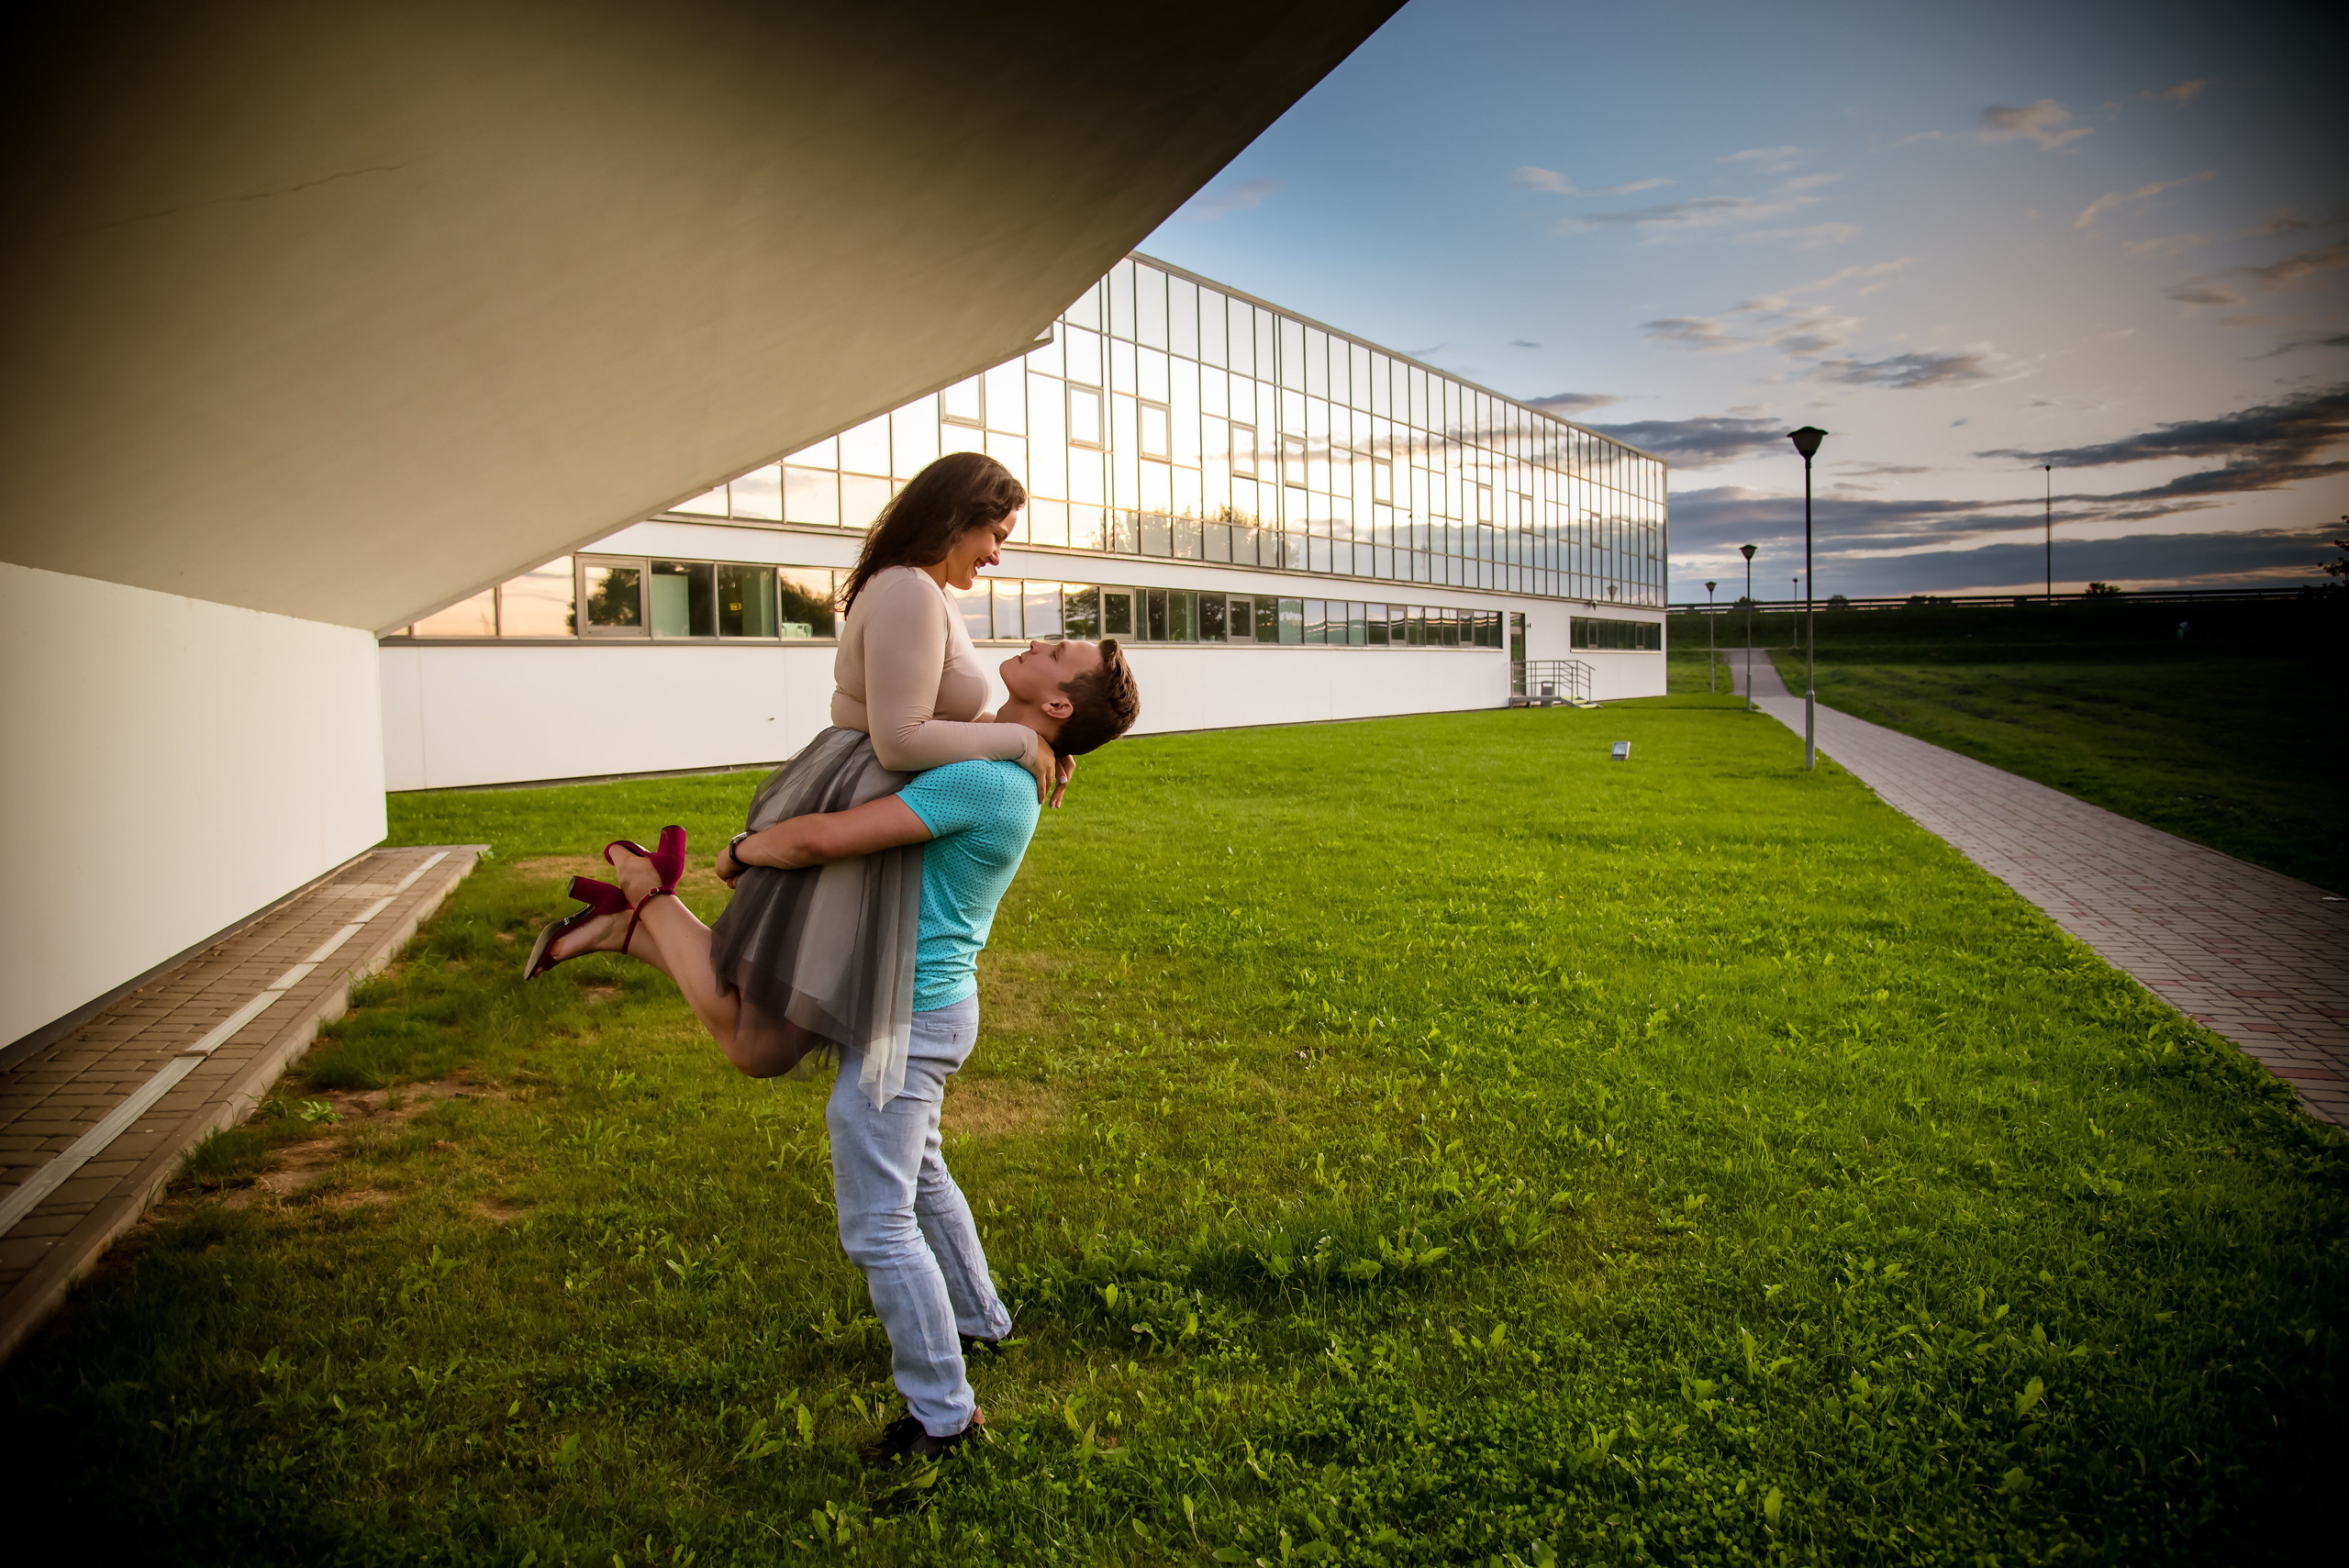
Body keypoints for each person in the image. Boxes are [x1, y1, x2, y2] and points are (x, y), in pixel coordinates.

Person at [540, 635, 1141, 1462]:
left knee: (878, 1223)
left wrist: (743, 852)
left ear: (1060, 703)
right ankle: (981, 1320)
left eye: (1056, 649)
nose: (1039, 641)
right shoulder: (1007, 765)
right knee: (919, 1171)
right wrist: (1032, 741)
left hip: (904, 1021)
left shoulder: (988, 778)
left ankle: (945, 1418)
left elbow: (829, 838)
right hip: (918, 1005)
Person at [531, 451, 1070, 1111]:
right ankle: (645, 897)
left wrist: (1024, 740)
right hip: (859, 798)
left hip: (864, 795)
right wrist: (1018, 738)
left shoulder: (916, 589)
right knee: (763, 1039)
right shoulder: (909, 591)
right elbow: (900, 739)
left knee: (767, 1037)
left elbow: (903, 716)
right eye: (996, 535)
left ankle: (631, 920)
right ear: (960, 516)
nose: (994, 554)